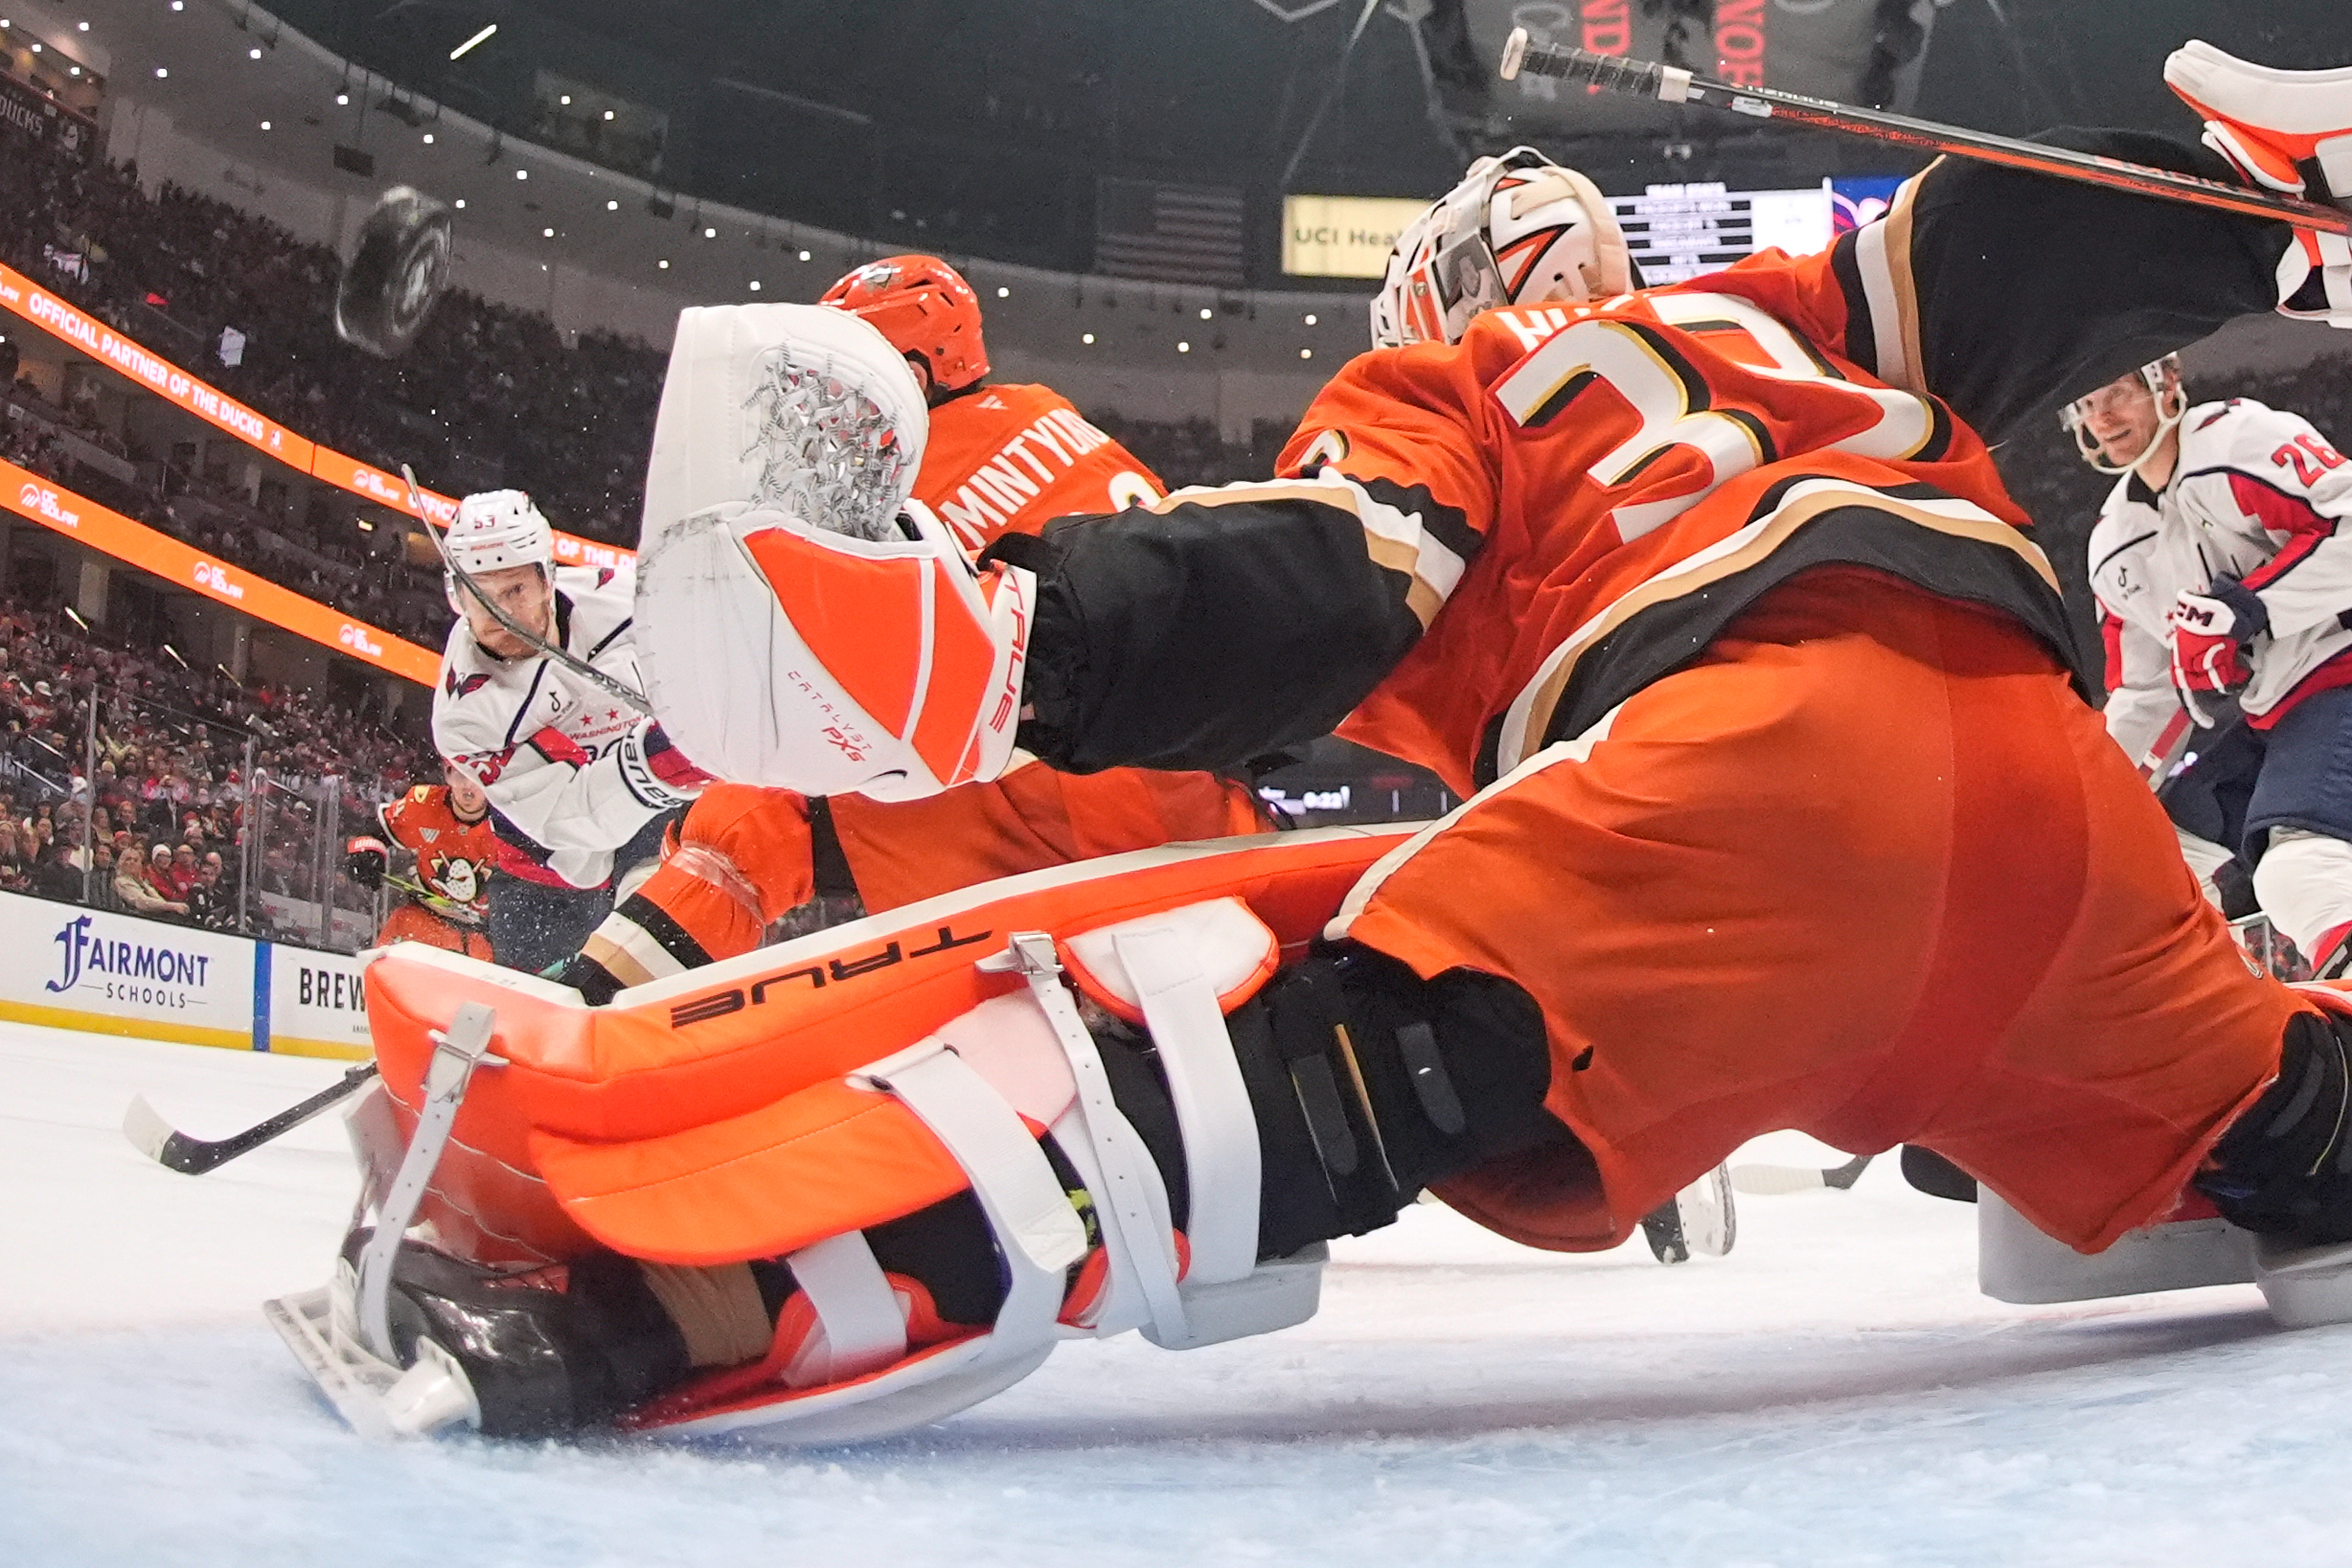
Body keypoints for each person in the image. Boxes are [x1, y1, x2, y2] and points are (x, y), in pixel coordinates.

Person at [348, 44, 2352, 1441]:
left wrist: (999, 649)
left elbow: (1317, 581)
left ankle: (663, 1303)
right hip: (2052, 806)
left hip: (1749, 766)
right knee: (2286, 1118)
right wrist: (2257, 196)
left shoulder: (1441, 378)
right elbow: (2016, 243)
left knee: (1337, 1051)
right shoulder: (1803, 308)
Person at [548, 256, 1269, 1003]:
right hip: (1196, 785)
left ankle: (600, 998)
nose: (827, 419)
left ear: (911, 376)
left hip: (1063, 807)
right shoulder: (1052, 416)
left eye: (844, 388)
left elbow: (832, 662)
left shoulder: (905, 476)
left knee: (759, 803)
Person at [2077, 356, 2352, 970]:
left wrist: (2256, 606)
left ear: (2166, 382)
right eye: (2087, 406)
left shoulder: (2239, 442)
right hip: (2275, 713)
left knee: (2299, 869)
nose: (2103, 417)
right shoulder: (2114, 541)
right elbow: (2146, 692)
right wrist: (2090, 799)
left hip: (2339, 671)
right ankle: (2228, 985)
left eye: (2115, 392)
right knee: (2150, 855)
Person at [429, 489, 707, 972]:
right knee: (545, 1009)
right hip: (546, 872)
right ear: (456, 597)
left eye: (514, 591)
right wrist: (663, 761)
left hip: (651, 823)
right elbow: (568, 818)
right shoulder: (464, 718)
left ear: (546, 578)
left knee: (659, 960)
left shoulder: (629, 600)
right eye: (480, 597)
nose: (500, 615)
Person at [345, 761, 498, 961]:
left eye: (477, 777)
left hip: (484, 938)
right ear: (448, 774)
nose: (468, 786)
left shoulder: (509, 824)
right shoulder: (423, 804)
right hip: (419, 923)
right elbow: (376, 831)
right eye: (461, 775)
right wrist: (365, 852)